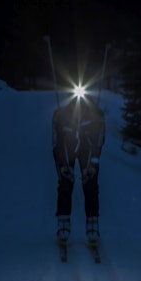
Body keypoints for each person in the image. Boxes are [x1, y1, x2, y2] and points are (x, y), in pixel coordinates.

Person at [52, 87, 105, 242]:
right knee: (65, 182)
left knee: (90, 184)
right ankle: (63, 222)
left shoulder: (97, 116)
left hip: (87, 151)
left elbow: (99, 141)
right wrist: (62, 165)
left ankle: (92, 224)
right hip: (66, 151)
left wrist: (93, 164)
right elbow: (56, 142)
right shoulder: (60, 115)